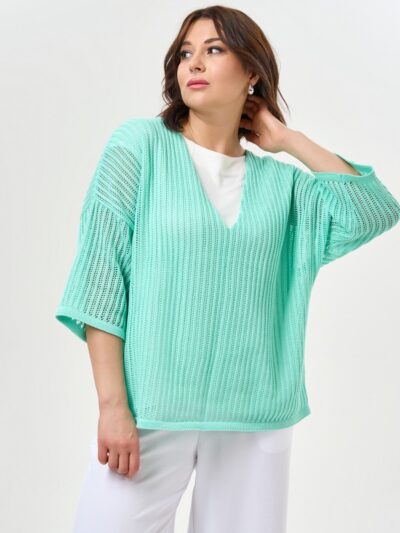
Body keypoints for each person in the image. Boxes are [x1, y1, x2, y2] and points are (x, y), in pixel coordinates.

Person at [54, 6, 400, 533]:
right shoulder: (140, 147)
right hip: (150, 411)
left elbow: (374, 210)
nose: (194, 63)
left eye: (214, 50)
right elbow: (102, 279)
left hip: (255, 416)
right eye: (185, 53)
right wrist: (112, 406)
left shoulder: (284, 188)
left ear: (252, 71)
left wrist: (287, 140)